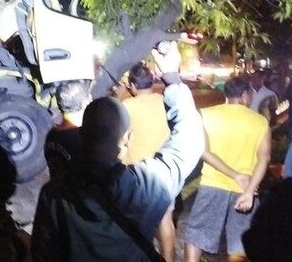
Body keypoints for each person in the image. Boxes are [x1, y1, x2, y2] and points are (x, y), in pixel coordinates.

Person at [31, 41, 204, 262]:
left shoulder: (54, 194)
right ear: (126, 139)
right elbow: (190, 139)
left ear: (82, 134)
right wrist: (171, 76)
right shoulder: (144, 185)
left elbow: (43, 252)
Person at [183, 77, 271, 262]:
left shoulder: (205, 115)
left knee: (196, 237)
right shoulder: (260, 122)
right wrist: (249, 191)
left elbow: (203, 152)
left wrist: (234, 175)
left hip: (212, 184)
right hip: (244, 190)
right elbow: (264, 158)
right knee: (239, 244)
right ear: (245, 95)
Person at [121, 63, 175, 262]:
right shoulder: (165, 101)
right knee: (165, 219)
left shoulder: (127, 106)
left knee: (136, 223)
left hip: (137, 173)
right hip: (165, 170)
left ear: (133, 85)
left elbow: (122, 139)